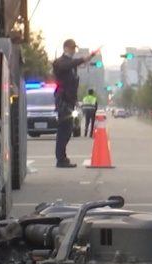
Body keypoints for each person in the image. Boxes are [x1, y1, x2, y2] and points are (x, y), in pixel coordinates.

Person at [51, 39, 99, 168]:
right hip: (63, 100)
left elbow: (72, 83)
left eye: (74, 48)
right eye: (72, 48)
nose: (73, 51)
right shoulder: (60, 62)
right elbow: (66, 66)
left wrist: (75, 100)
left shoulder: (71, 66)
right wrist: (84, 59)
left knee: (68, 130)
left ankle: (62, 157)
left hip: (69, 100)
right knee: (63, 130)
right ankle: (60, 159)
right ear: (65, 48)